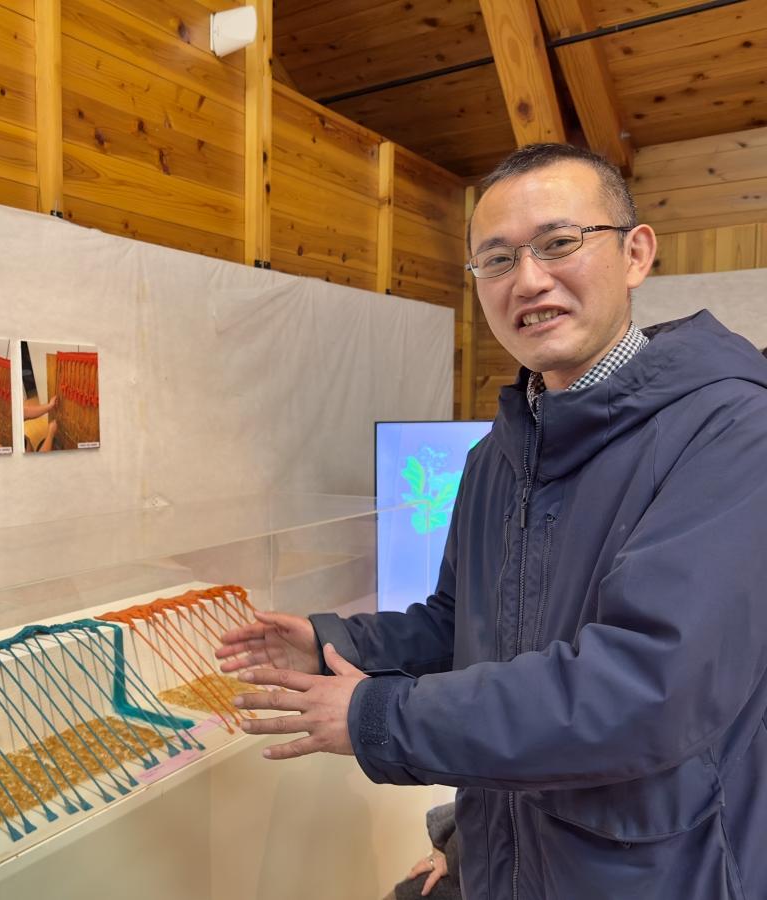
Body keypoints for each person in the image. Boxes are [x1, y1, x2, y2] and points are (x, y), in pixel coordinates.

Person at [218, 143, 767, 899]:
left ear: (635, 254)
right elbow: (463, 627)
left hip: (654, 872)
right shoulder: (495, 457)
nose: (529, 280)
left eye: (559, 242)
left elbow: (648, 690)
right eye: (498, 260)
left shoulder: (730, 431)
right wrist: (331, 641)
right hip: (506, 863)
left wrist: (380, 718)